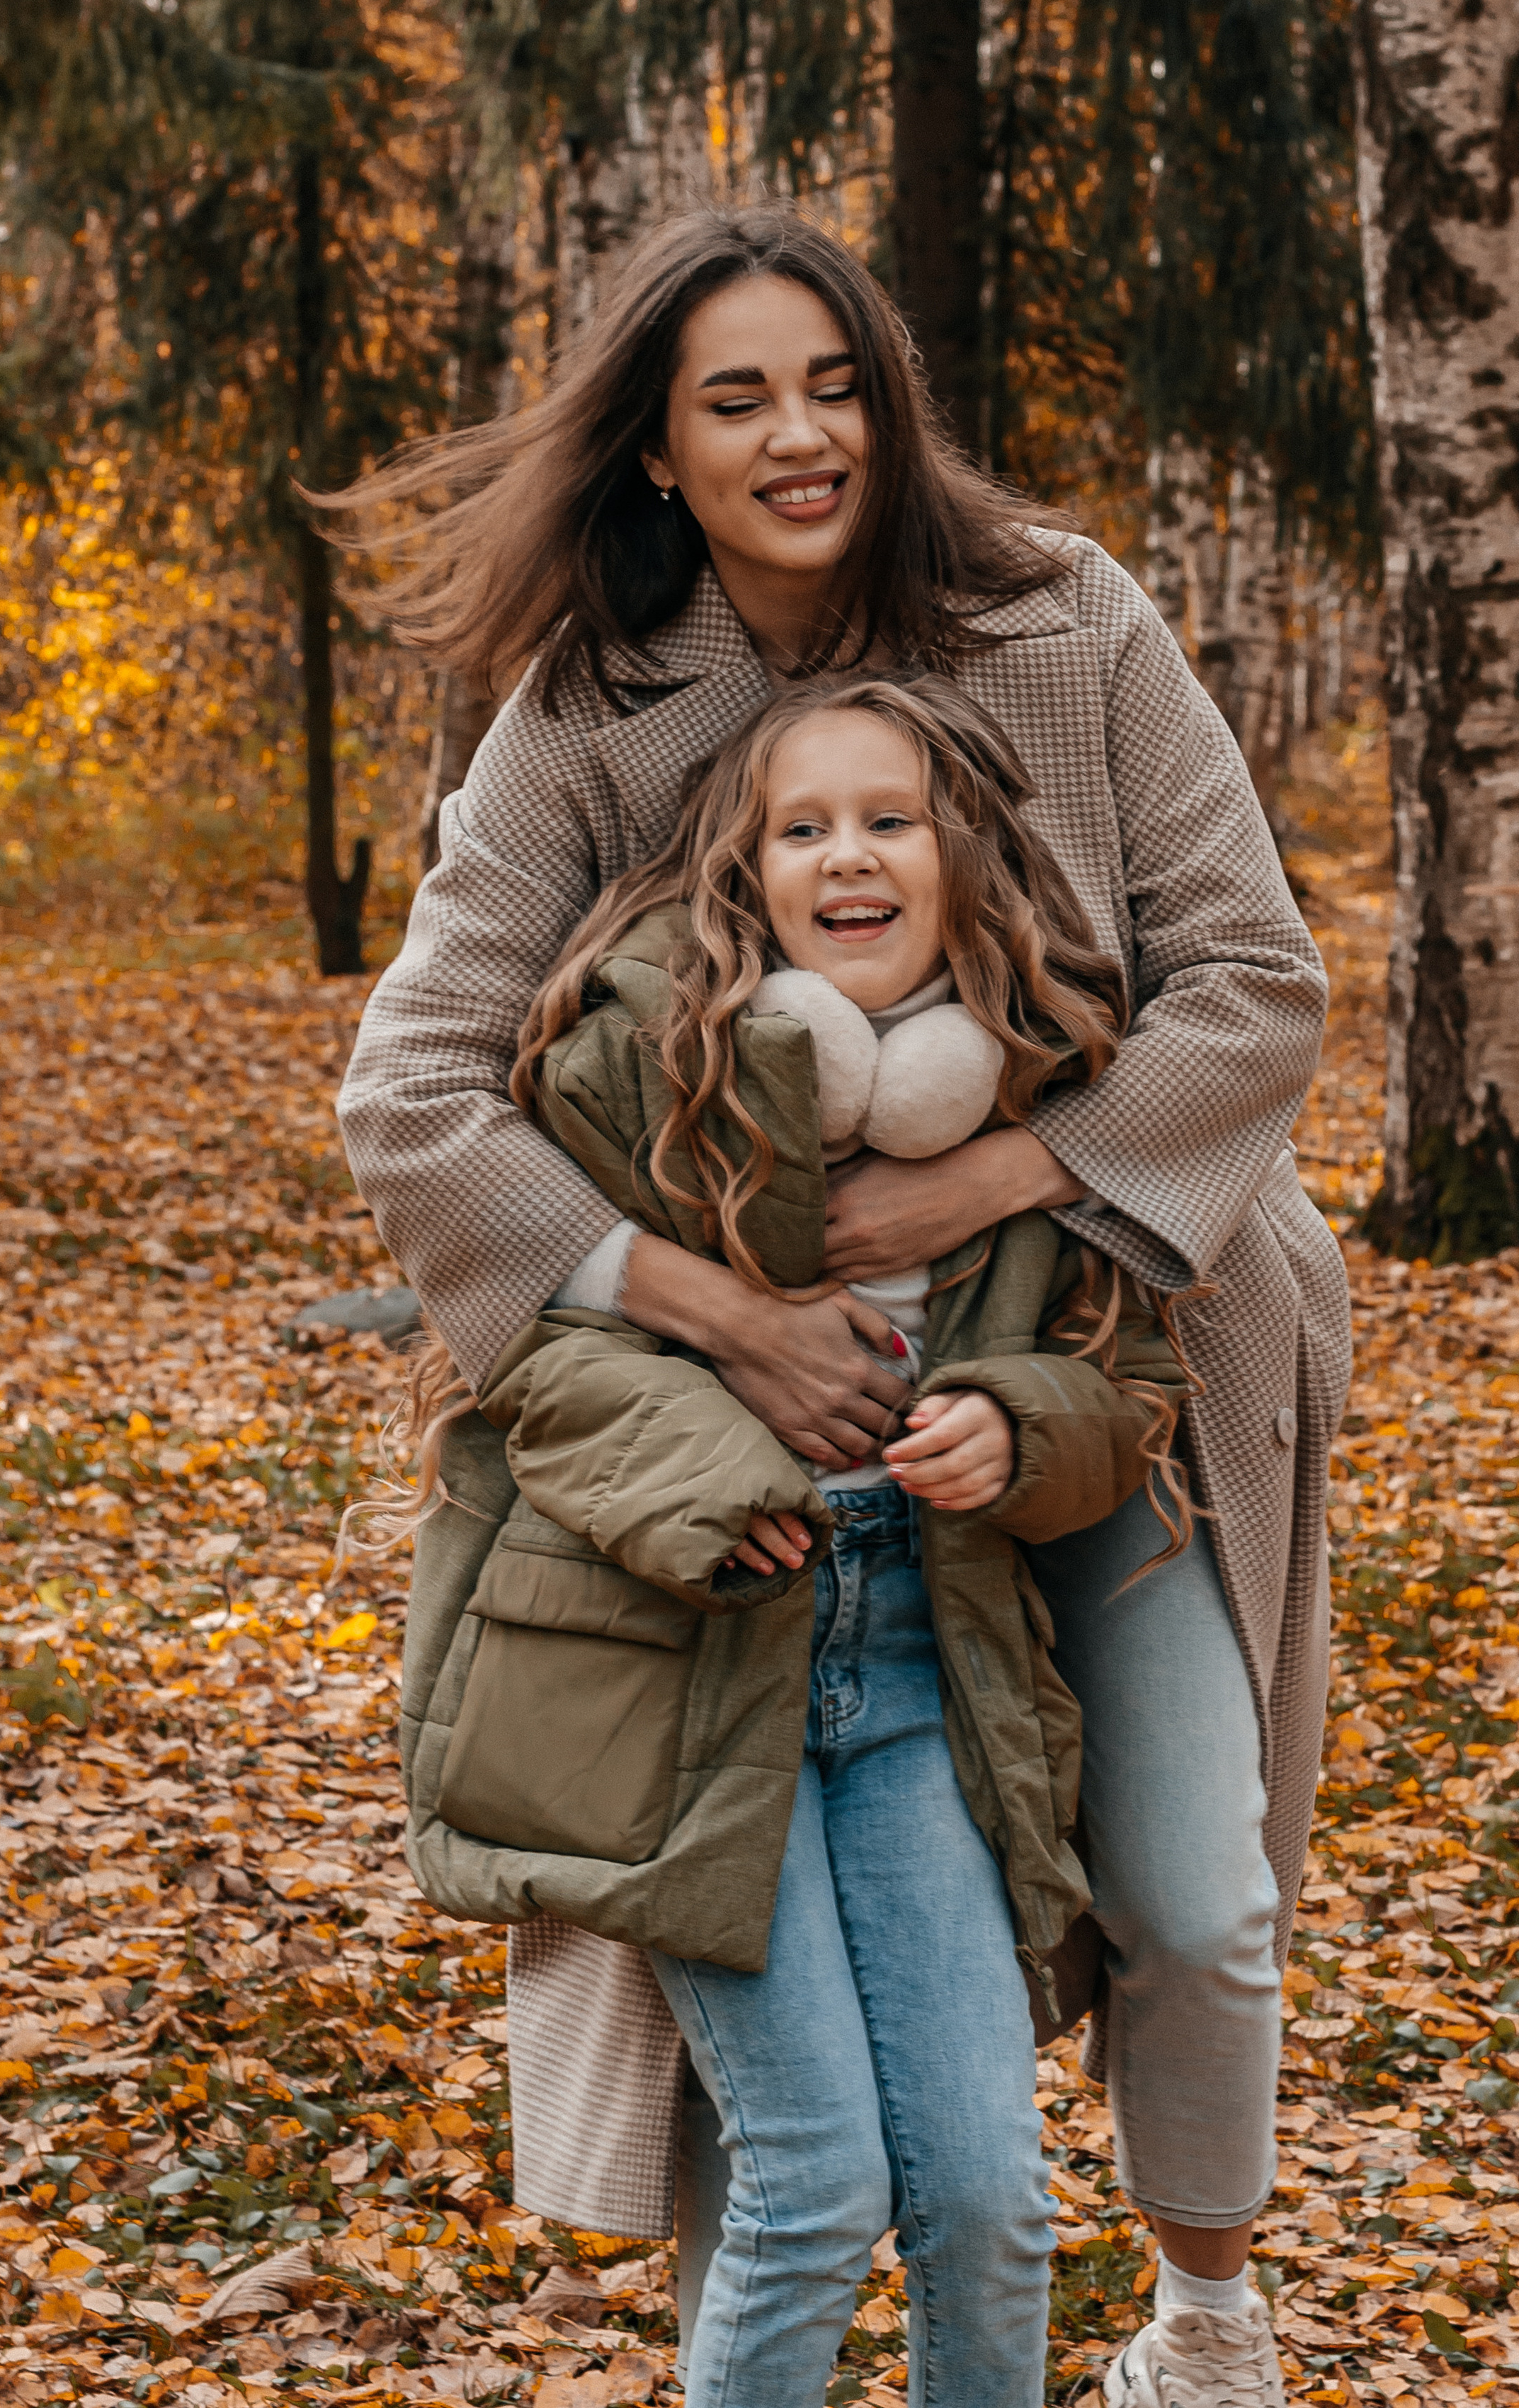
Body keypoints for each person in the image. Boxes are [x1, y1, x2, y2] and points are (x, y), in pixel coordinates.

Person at [331, 204, 1352, 2408]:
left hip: (1113, 1345)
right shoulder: (597, 713)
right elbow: (408, 1087)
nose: (800, 436)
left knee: (1194, 1887)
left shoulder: (1067, 618)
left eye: (834, 383)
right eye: (735, 401)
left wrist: (974, 1177)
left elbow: (1260, 979)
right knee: (750, 1932)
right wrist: (718, 1302)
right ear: (661, 459)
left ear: (892, 400)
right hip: (766, 1427)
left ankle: (1202, 2322)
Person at [389, 672, 1196, 2407]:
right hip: (685, 1675)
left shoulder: (1030, 1106)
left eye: (888, 819)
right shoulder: (638, 1061)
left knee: (991, 2204)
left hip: (916, 1664)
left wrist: (1017, 1426)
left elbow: (1117, 1382)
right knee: (815, 2186)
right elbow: (520, 1333)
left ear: (960, 854)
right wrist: (712, 1465)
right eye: (801, 825)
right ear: (741, 873)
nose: (848, 854)